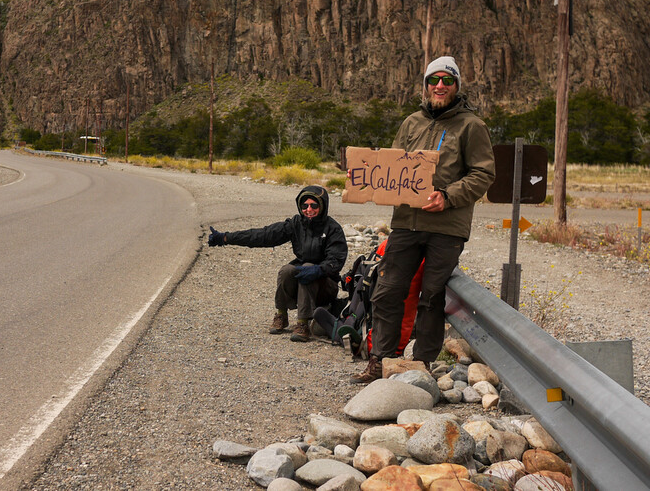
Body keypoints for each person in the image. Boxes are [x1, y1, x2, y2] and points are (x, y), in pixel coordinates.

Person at [351, 56, 496, 383]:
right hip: (406, 223)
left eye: (447, 80)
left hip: (447, 228)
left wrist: (447, 197)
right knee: (387, 291)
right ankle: (381, 361)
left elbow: (484, 174)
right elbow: (393, 168)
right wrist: (370, 179)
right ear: (426, 85)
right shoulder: (411, 123)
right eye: (434, 80)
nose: (440, 85)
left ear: (457, 85)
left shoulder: (472, 126)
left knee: (431, 297)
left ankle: (423, 365)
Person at [207, 185, 348, 342]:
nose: (309, 209)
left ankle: (302, 324)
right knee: (287, 270)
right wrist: (226, 238)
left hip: (325, 285)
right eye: (305, 205)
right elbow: (264, 235)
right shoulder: (296, 224)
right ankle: (281, 314)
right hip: (304, 280)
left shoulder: (333, 228)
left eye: (314, 205)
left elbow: (337, 259)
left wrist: (320, 269)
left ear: (322, 206)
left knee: (307, 270)